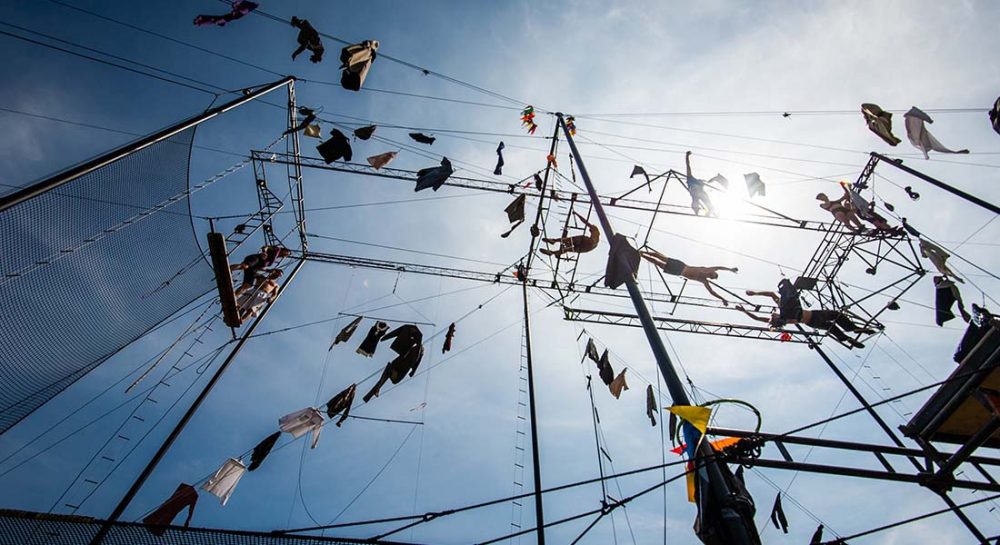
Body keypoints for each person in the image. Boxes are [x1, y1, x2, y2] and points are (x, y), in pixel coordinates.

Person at [738, 279, 878, 349]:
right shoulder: (782, 311)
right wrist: (746, 306)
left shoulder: (782, 313)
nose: (773, 313)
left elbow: (769, 296)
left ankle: (848, 338)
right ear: (773, 318)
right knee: (836, 315)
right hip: (813, 316)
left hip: (811, 322)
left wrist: (753, 296)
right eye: (772, 315)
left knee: (832, 328)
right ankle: (852, 329)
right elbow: (767, 302)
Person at [640, 248, 737, 306]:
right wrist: (730, 269)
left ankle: (641, 255)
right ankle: (643, 252)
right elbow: (719, 267)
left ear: (710, 277)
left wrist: (722, 299)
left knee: (659, 264)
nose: (710, 274)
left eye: (712, 276)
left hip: (678, 272)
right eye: (713, 274)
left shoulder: (703, 280)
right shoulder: (706, 269)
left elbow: (712, 292)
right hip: (682, 266)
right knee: (662, 258)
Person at [684, 152, 718, 217]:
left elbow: (708, 182)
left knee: (705, 198)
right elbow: (688, 165)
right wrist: (687, 156)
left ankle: (710, 210)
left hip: (699, 192)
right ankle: (698, 209)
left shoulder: (700, 184)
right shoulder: (690, 177)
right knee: (696, 197)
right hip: (695, 189)